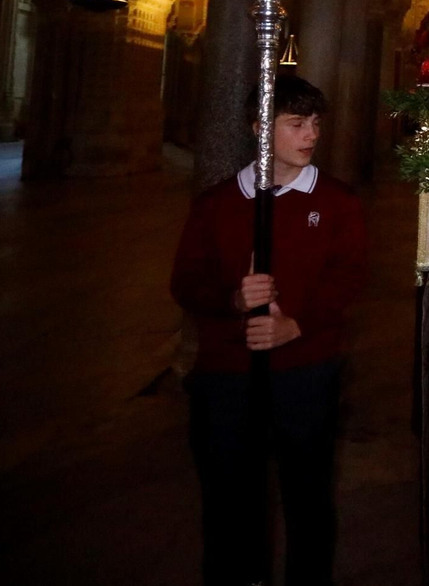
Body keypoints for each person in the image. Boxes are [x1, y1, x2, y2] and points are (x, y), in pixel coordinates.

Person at [171, 76, 368, 586]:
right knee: (228, 495)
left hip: (306, 369)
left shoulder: (338, 202)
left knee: (307, 494)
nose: (311, 136)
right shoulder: (216, 204)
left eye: (316, 124)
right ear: (260, 128)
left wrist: (296, 326)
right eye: (296, 124)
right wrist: (233, 301)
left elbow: (348, 279)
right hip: (227, 373)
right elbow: (187, 281)